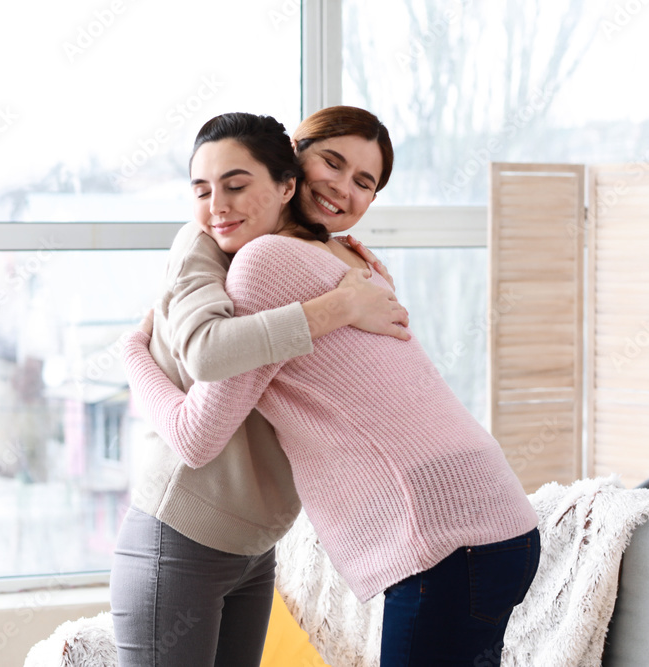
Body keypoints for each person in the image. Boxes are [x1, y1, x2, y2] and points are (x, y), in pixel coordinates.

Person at [121, 114, 541, 666]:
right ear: (296, 160)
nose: (343, 187)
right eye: (333, 163)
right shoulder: (349, 264)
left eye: (364, 182)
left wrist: (131, 355)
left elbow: (197, 432)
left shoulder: (265, 262)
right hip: (496, 519)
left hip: (445, 532)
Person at [110, 110, 406, 666]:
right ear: (299, 168)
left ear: (283, 186)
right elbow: (209, 354)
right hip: (180, 534)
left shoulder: (315, 257)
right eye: (203, 189)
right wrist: (132, 355)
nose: (218, 204)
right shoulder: (202, 245)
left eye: (363, 181)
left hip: (257, 546)